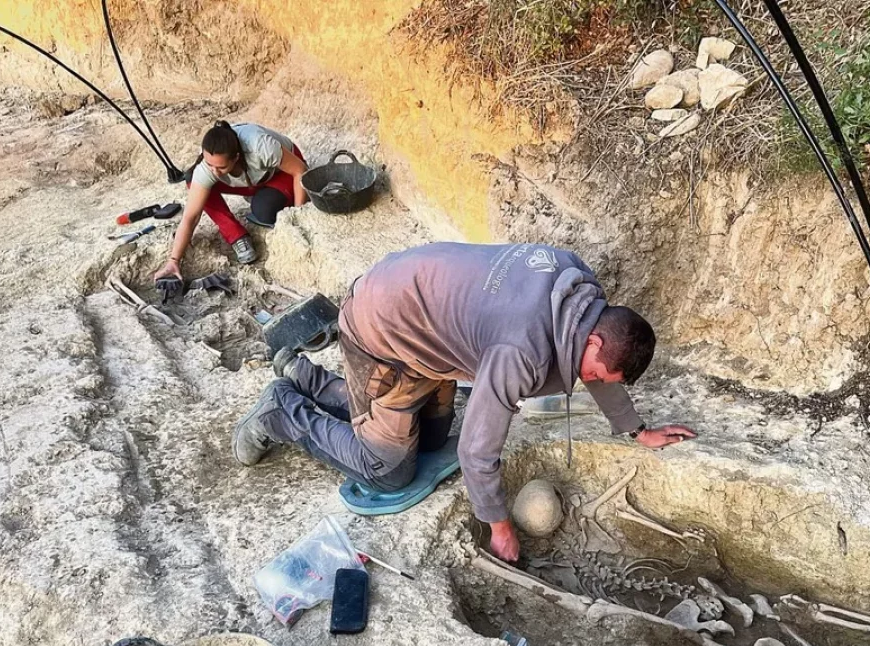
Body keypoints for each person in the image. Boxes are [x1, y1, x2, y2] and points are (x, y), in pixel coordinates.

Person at [232, 242, 697, 561]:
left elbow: (597, 364)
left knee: (432, 437)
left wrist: (635, 428)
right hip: (382, 331)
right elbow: (475, 452)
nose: (590, 380)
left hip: (425, 325)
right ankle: (280, 411)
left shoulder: (577, 292)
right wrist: (498, 525)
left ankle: (306, 376)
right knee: (389, 469)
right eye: (593, 373)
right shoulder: (521, 351)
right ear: (594, 340)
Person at [153, 121, 307, 281]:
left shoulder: (260, 146)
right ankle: (237, 235)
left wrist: (298, 216)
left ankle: (265, 194)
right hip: (251, 179)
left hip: (281, 171)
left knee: (265, 210)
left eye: (221, 167)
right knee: (193, 181)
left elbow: (300, 170)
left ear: (236, 158)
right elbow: (190, 217)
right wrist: (173, 260)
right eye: (210, 165)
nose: (214, 171)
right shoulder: (211, 163)